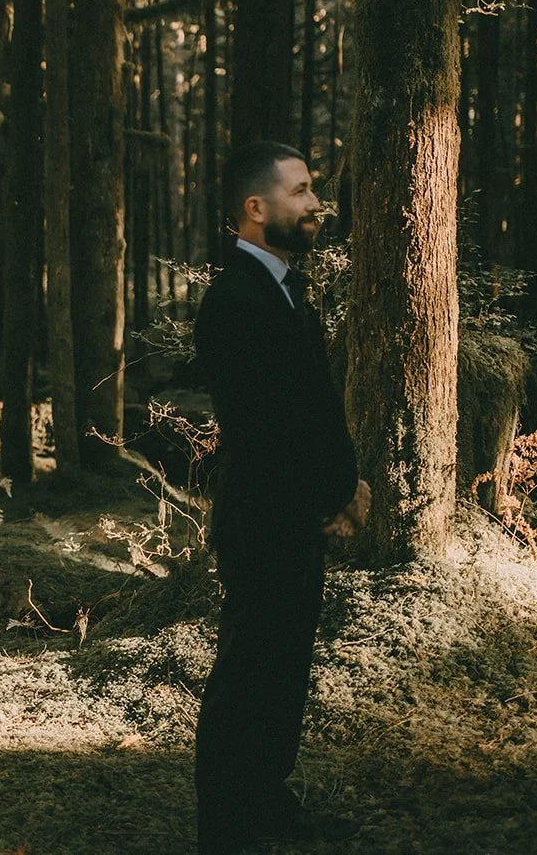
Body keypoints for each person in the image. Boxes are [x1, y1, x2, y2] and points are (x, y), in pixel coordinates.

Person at [192, 142, 370, 853]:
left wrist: (344, 487)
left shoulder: (286, 291)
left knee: (282, 673)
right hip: (265, 517)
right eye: (300, 191)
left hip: (291, 514)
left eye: (313, 189)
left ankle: (266, 807)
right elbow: (268, 426)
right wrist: (331, 497)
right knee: (249, 673)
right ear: (255, 208)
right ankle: (227, 829)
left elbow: (314, 407)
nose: (316, 203)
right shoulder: (235, 300)